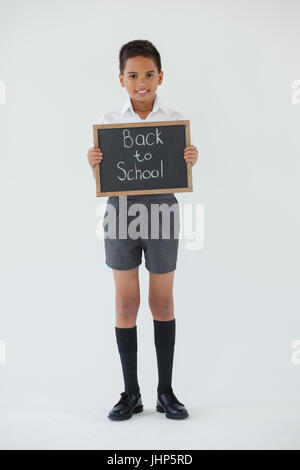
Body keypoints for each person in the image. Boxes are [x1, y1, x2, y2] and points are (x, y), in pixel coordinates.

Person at [87, 40, 198, 421]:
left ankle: (165, 391)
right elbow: (105, 178)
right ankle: (130, 392)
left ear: (160, 77)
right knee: (125, 303)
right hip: (120, 212)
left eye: (149, 74)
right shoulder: (109, 120)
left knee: (163, 302)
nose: (141, 82)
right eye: (133, 75)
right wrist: (94, 164)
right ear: (121, 79)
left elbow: (177, 172)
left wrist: (190, 159)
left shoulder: (173, 118)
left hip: (162, 212)